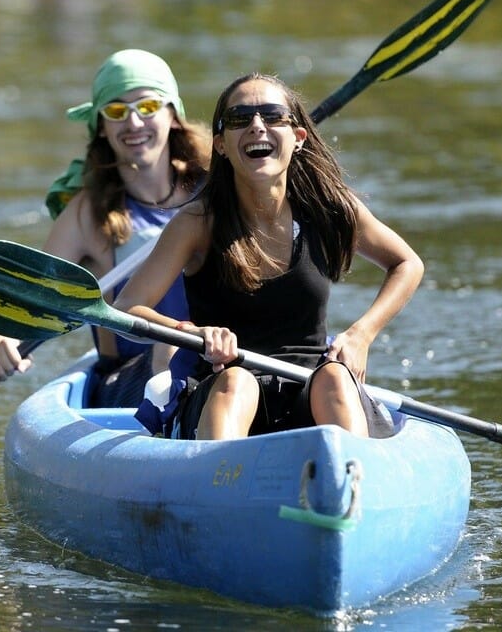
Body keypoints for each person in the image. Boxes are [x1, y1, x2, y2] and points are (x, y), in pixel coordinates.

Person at [114, 72, 424, 439]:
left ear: (298, 139)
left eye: (273, 116)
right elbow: (126, 307)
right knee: (237, 384)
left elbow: (407, 263)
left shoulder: (330, 209)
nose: (257, 126)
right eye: (240, 118)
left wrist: (361, 335)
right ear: (222, 145)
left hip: (311, 388)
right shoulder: (196, 223)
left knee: (336, 378)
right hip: (222, 386)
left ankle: (348, 476)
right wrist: (192, 332)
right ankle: (220, 480)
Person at [0, 49, 211, 406]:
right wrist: (0, 339)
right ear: (102, 126)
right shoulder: (87, 214)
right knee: (174, 346)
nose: (133, 123)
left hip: (218, 357)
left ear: (173, 115)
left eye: (147, 108)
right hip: (129, 378)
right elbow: (33, 296)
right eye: (117, 111)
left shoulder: (214, 190)